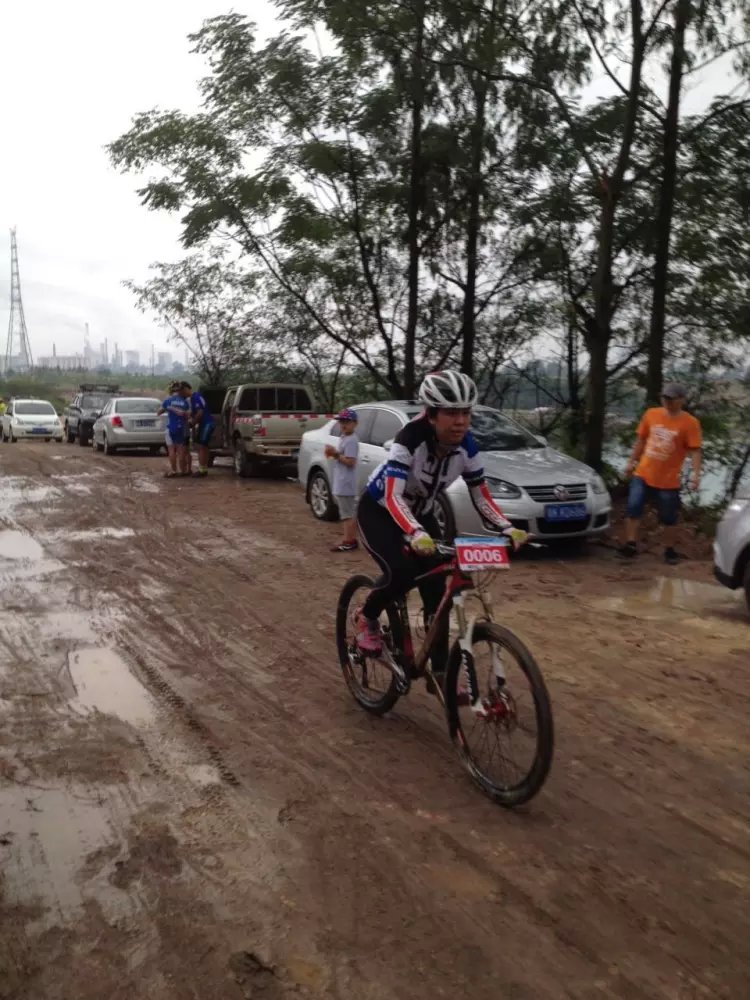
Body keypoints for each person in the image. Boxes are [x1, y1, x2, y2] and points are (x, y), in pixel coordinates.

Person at [355, 369, 527, 682]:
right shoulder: (409, 439)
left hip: (421, 514)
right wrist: (415, 533)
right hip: (379, 511)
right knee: (403, 572)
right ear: (432, 415)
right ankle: (367, 618)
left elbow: (480, 495)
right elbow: (393, 497)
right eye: (451, 413)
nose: (460, 421)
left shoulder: (467, 446)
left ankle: (440, 674)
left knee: (437, 590)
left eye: (466, 413)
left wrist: (506, 527)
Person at [619, 382, 702, 565]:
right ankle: (630, 544)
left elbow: (695, 450)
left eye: (671, 399)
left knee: (668, 517)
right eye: (664, 398)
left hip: (668, 479)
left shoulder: (690, 423)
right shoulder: (651, 414)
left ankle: (669, 549)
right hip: (643, 472)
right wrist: (631, 462)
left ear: (681, 400)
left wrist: (696, 475)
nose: (667, 402)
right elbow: (641, 440)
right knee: (633, 507)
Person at [324, 408, 360, 552]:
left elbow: (351, 462)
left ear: (355, 423)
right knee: (346, 512)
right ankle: (350, 539)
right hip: (343, 481)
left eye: (347, 422)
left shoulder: (351, 440)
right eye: (341, 422)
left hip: (346, 483)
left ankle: (348, 541)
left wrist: (336, 455)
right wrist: (335, 453)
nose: (343, 424)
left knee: (347, 514)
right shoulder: (344, 437)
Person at [180, 382, 215, 478]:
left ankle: (202, 470)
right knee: (204, 446)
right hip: (206, 423)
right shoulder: (194, 398)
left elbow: (200, 412)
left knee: (201, 446)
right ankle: (204, 468)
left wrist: (192, 423)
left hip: (206, 423)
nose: (181, 394)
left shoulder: (195, 397)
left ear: (186, 389)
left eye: (181, 392)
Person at [158, 381, 191, 478]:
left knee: (171, 450)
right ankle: (183, 471)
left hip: (170, 427)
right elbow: (188, 415)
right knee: (181, 451)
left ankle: (173, 470)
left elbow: (159, 412)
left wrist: (168, 408)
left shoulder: (168, 400)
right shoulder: (184, 402)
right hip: (181, 427)